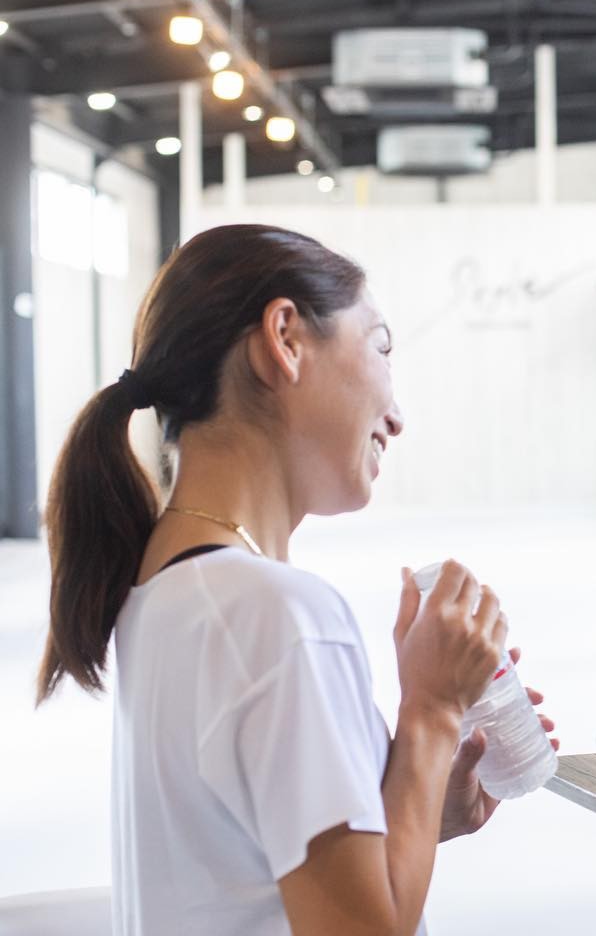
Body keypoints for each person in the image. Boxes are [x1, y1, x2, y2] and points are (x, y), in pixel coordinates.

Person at [35, 224, 558, 936]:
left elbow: (243, 875)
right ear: (284, 338)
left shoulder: (161, 592)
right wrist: (433, 712)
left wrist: (416, 797)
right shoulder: (279, 617)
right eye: (380, 348)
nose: (397, 417)